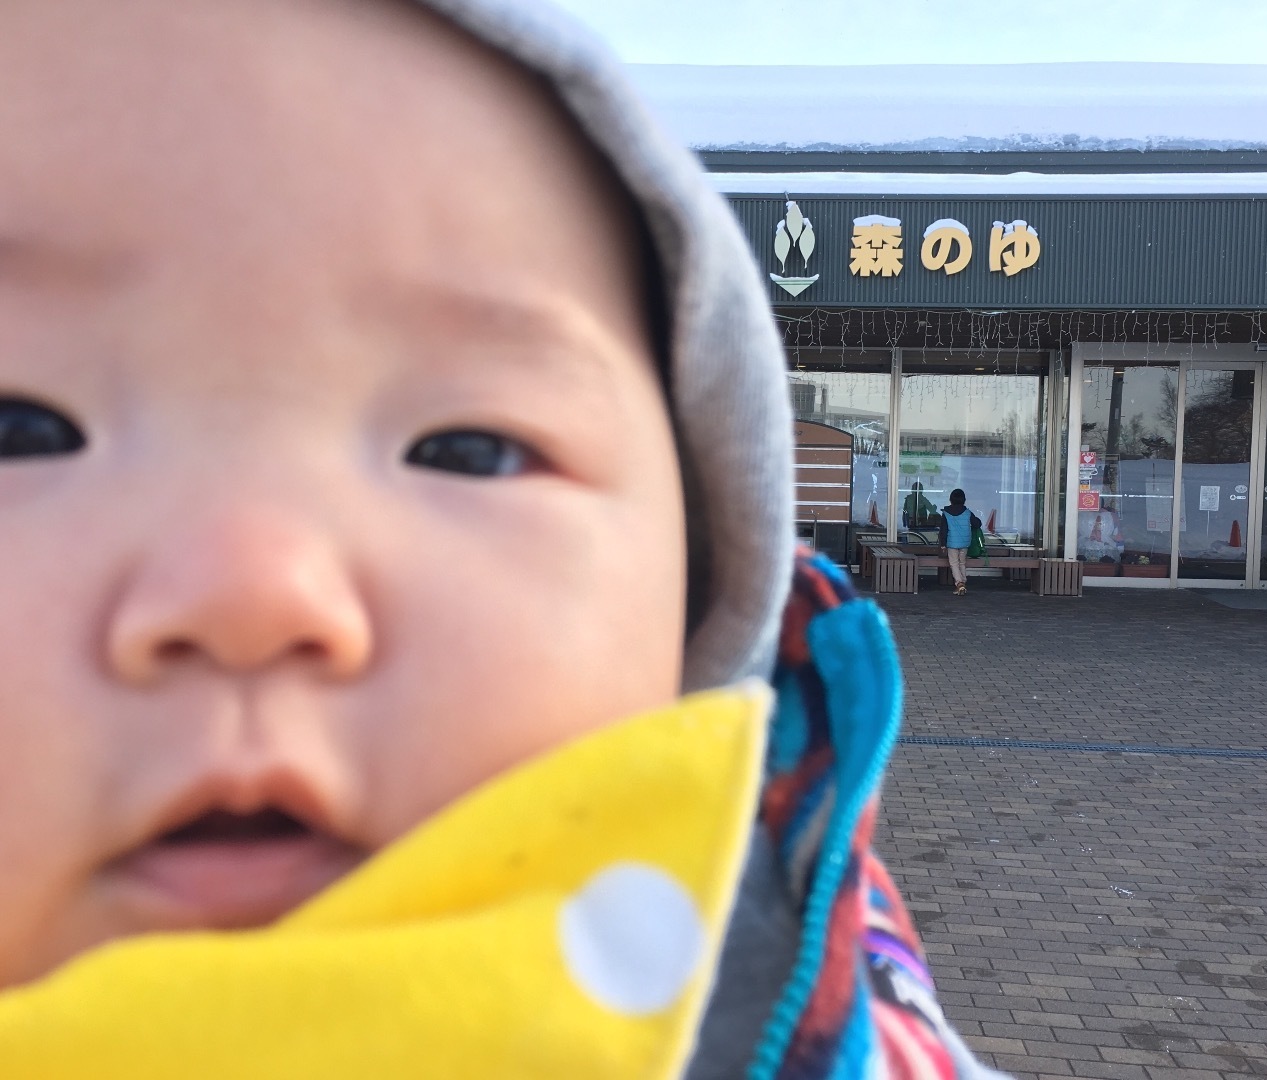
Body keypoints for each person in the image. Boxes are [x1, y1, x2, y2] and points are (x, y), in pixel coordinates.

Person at [0, 2, 1012, 1078]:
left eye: (468, 450)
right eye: (22, 432)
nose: (252, 592)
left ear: (693, 614)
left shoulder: (827, 1024)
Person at [938, 489, 984, 596]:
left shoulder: (946, 514)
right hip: (964, 543)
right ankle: (963, 583)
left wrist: (943, 544)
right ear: (964, 500)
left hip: (952, 544)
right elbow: (977, 524)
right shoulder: (967, 512)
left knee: (954, 564)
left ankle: (959, 583)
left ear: (950, 500)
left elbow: (943, 530)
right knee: (962, 563)